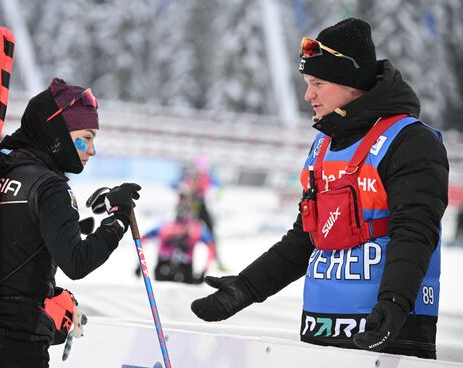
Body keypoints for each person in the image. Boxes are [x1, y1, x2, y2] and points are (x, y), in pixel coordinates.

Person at [191, 18, 449, 360]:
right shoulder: (324, 145)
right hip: (320, 325)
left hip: (385, 327)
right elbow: (307, 236)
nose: (307, 94)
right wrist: (246, 288)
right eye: (307, 83)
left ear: (352, 81)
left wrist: (395, 302)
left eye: (318, 83)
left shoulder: (410, 140)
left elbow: (415, 232)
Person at [0, 78, 141, 367]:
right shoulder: (50, 186)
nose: (92, 150)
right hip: (17, 343)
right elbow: (77, 262)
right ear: (57, 131)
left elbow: (14, 239)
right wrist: (118, 220)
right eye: (87, 137)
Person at [138, 196, 216, 284]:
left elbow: (211, 247)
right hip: (164, 269)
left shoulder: (195, 229)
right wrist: (140, 264)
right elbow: (141, 240)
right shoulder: (165, 226)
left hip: (183, 271)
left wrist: (204, 270)